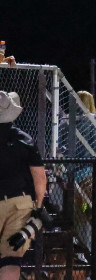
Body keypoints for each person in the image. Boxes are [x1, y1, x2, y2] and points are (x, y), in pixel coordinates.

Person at [0, 91, 47, 280]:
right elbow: (40, 178)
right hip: (19, 203)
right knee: (11, 259)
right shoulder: (24, 139)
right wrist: (39, 207)